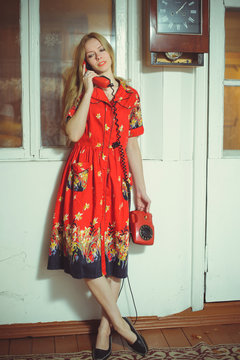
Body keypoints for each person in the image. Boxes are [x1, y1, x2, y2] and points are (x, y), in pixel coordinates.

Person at [47, 32, 151, 360]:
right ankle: (121, 325)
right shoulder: (81, 91)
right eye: (90, 55)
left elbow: (132, 145)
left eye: (101, 50)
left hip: (117, 179)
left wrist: (142, 190)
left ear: (109, 52)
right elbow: (74, 134)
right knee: (86, 253)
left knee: (116, 259)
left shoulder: (130, 95)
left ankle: (106, 327)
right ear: (84, 63)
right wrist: (90, 89)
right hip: (84, 178)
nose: (98, 57)